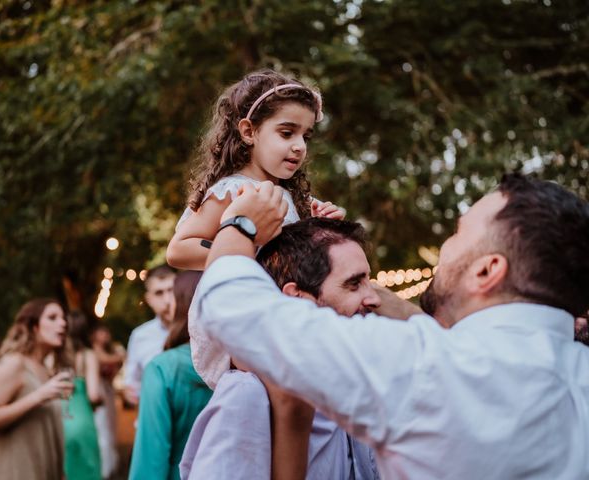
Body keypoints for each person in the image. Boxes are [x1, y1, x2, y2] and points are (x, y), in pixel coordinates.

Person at [193, 174, 589, 479]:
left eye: (459, 234)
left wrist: (241, 225)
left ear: (487, 270)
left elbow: (229, 305)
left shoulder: (423, 368)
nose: (445, 249)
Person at [166, 69, 344, 478]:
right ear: (248, 131)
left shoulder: (288, 194)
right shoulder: (233, 188)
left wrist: (323, 227)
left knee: (290, 408)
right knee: (278, 406)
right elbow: (179, 248)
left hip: (278, 310)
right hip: (244, 312)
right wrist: (243, 244)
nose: (299, 146)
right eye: (286, 132)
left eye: (305, 136)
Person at [180, 218, 380, 480]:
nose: (375, 298)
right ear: (295, 297)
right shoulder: (248, 395)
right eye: (354, 284)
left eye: (369, 281)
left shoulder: (364, 382)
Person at [0, 298, 74, 480]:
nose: (63, 323)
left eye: (63, 318)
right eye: (52, 318)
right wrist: (39, 396)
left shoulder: (45, 370)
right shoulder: (14, 364)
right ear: (33, 327)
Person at [129, 271, 212, 480]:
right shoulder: (238, 361)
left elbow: (150, 464)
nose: (166, 301)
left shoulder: (160, 368)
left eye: (171, 294)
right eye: (160, 293)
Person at [123, 264, 176, 406]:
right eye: (159, 293)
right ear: (149, 299)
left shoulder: (199, 329)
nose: (167, 300)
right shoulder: (139, 336)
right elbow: (131, 383)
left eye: (171, 290)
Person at [64, 311, 102, 480]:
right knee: (86, 469)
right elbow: (93, 395)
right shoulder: (88, 355)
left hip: (59, 418)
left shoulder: (52, 356)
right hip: (82, 417)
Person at [91, 324, 125, 479]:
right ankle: (105, 469)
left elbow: (112, 371)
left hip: (107, 390)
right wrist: (122, 356)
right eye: (102, 332)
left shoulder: (107, 351)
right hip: (98, 390)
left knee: (111, 426)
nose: (105, 336)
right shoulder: (93, 351)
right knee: (102, 428)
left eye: (106, 332)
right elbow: (105, 360)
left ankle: (111, 465)